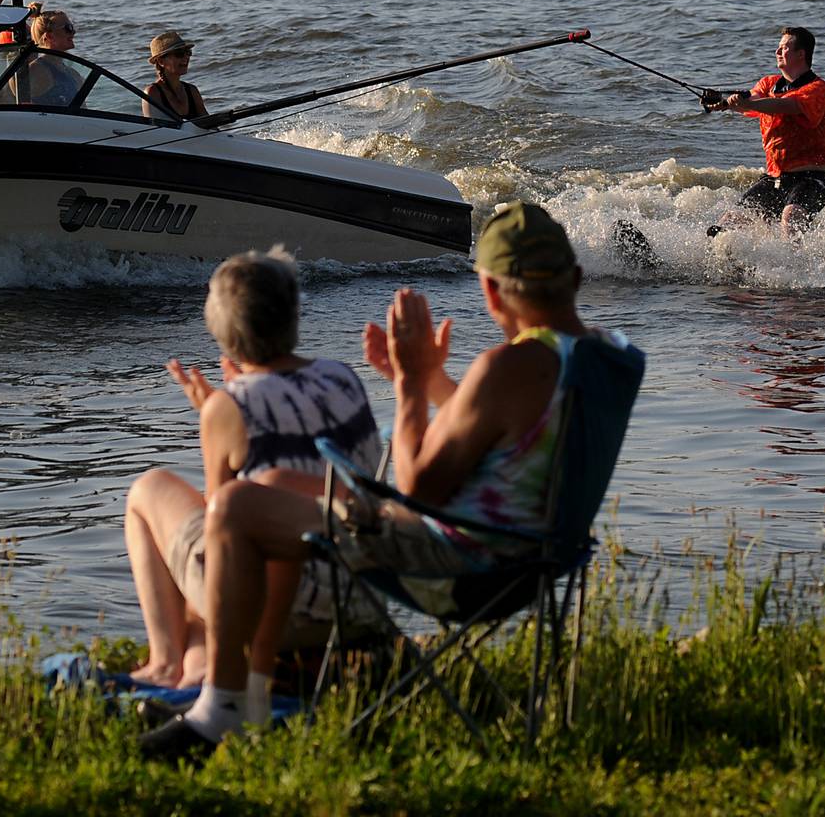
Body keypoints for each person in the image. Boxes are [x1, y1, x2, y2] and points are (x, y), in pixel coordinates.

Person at [141, 201, 636, 757]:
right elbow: (511, 434)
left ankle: (222, 709)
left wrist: (409, 384)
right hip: (538, 560)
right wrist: (434, 379)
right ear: (576, 277)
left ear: (491, 292)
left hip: (457, 566)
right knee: (276, 479)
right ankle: (254, 684)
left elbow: (419, 488)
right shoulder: (608, 357)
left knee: (234, 506)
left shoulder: (505, 367)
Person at [123, 246, 382, 724]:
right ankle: (198, 663)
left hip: (275, 610)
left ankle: (167, 664)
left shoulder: (231, 406)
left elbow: (220, 524)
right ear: (294, 314)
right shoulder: (343, 377)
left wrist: (214, 414)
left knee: (150, 491)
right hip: (357, 596)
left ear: (222, 333)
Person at [701, 26, 825, 237]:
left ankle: (796, 259)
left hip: (810, 180)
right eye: (778, 47)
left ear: (801, 54)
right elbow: (753, 99)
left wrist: (747, 103)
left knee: (791, 216)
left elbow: (786, 105)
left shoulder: (818, 89)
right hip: (774, 179)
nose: (777, 52)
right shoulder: (768, 84)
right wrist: (724, 103)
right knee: (727, 223)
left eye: (784, 48)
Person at [0, 2, 85, 106]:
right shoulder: (36, 71)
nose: (73, 32)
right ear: (49, 37)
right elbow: (8, 102)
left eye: (72, 27)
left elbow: (82, 109)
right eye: (68, 28)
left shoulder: (73, 74)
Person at [142, 30, 209, 122]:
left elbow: (209, 125)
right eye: (179, 54)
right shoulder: (153, 93)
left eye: (188, 52)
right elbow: (155, 129)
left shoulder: (192, 91)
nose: (186, 57)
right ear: (161, 62)